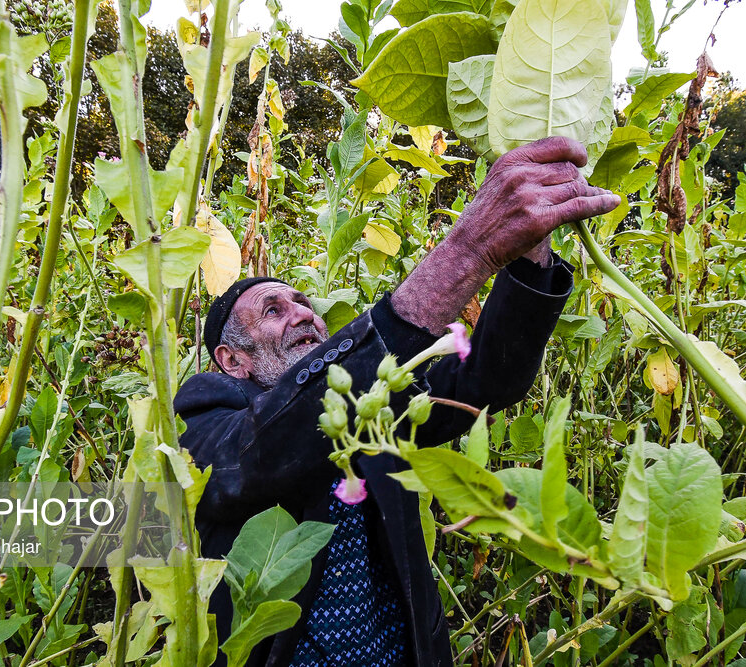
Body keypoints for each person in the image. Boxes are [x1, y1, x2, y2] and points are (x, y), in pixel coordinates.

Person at [175, 136, 620, 667]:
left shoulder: (373, 401)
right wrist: (468, 252)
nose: (303, 314)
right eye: (273, 310)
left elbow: (488, 379)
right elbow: (260, 451)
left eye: (304, 303)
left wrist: (530, 246)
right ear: (232, 360)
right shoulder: (206, 414)